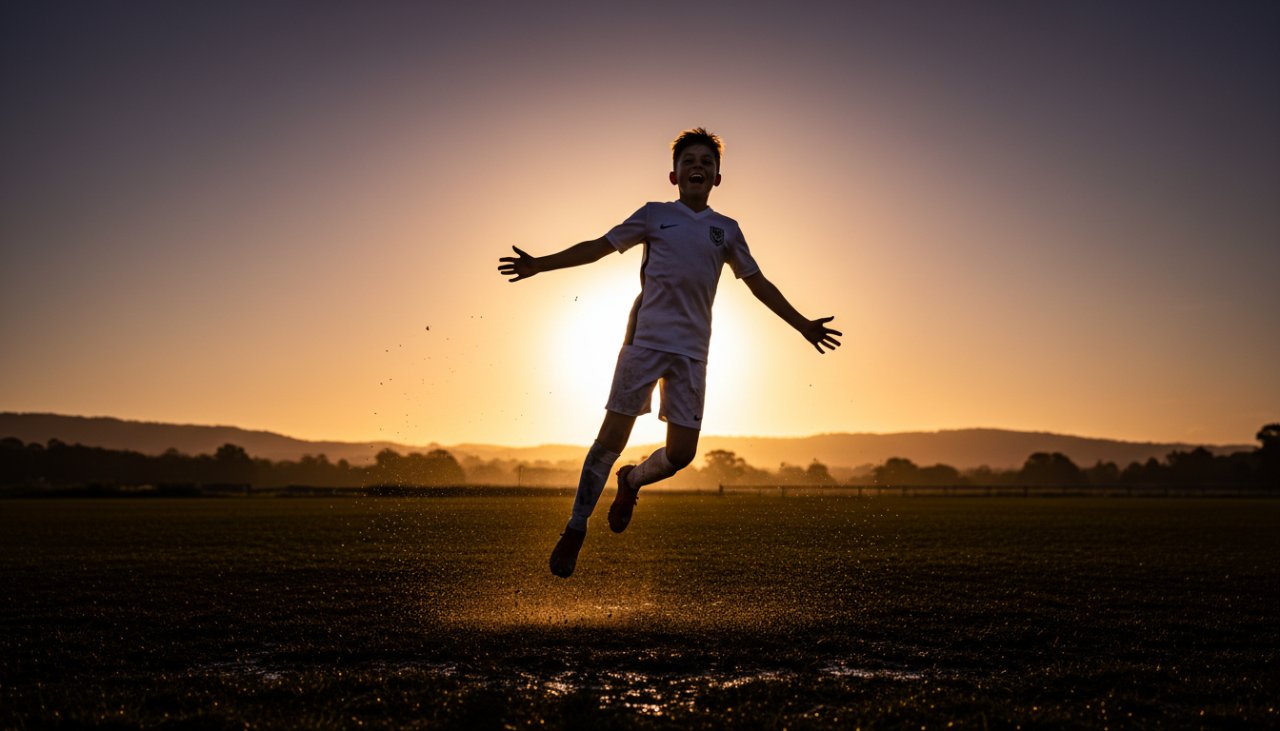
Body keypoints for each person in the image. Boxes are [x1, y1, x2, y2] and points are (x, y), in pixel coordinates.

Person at [497, 128, 842, 578]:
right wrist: (540, 263)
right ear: (673, 174)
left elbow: (759, 284)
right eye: (688, 161)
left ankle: (631, 479)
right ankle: (575, 527)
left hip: (692, 354)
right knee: (609, 441)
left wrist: (803, 325)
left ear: (718, 177)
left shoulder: (728, 230)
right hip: (644, 344)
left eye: (706, 161)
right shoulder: (653, 215)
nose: (697, 166)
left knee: (681, 455)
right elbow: (598, 249)